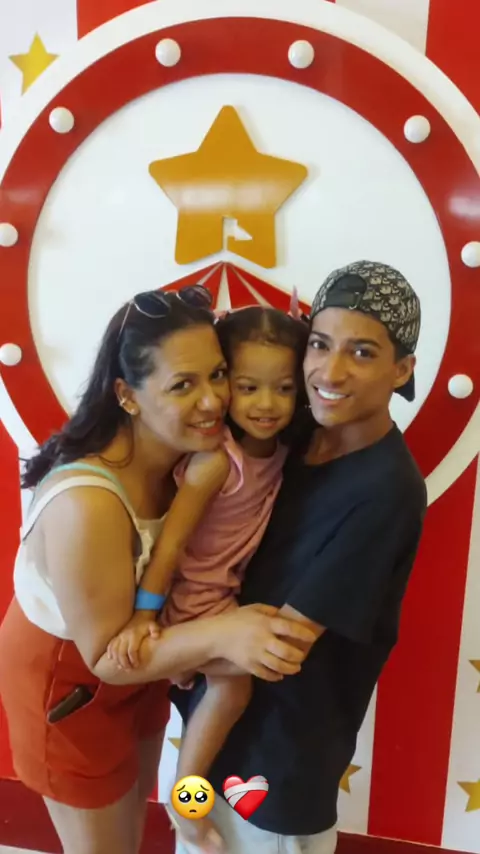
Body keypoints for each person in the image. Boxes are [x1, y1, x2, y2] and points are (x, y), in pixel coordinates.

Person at [0, 286, 317, 854]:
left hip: (147, 659)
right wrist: (225, 632)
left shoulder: (194, 454)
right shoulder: (88, 504)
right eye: (182, 385)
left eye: (217, 375)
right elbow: (106, 656)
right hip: (71, 682)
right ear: (127, 395)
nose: (212, 400)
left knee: (133, 829)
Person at [173, 261, 428, 854]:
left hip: (274, 770)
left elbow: (276, 646)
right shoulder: (294, 432)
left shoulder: (386, 490)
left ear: (402, 369)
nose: (329, 371)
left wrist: (158, 646)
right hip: (211, 731)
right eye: (319, 344)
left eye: (362, 352)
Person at [106, 306, 309, 850]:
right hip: (196, 599)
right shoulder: (218, 461)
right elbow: (170, 544)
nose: (266, 404)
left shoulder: (283, 452)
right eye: (247, 387)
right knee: (233, 687)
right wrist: (144, 616)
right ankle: (185, 799)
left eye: (284, 389)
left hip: (226, 595)